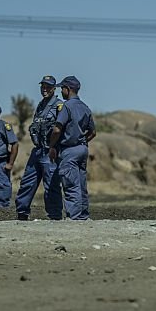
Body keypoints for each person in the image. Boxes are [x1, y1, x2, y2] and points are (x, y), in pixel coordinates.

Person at [16, 75, 64, 220]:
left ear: (54, 89)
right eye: (42, 86)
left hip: (50, 151)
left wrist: (54, 147)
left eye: (48, 87)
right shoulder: (41, 105)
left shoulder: (58, 105)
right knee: (27, 183)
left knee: (51, 185)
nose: (44, 89)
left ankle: (55, 216)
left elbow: (61, 128)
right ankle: (22, 212)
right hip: (37, 150)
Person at [48, 76, 95, 220]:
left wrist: (51, 146)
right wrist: (81, 141)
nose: (61, 91)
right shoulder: (85, 107)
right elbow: (93, 132)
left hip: (69, 151)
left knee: (71, 185)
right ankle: (83, 216)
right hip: (82, 149)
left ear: (68, 89)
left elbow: (57, 130)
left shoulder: (67, 106)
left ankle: (73, 218)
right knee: (81, 185)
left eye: (62, 88)